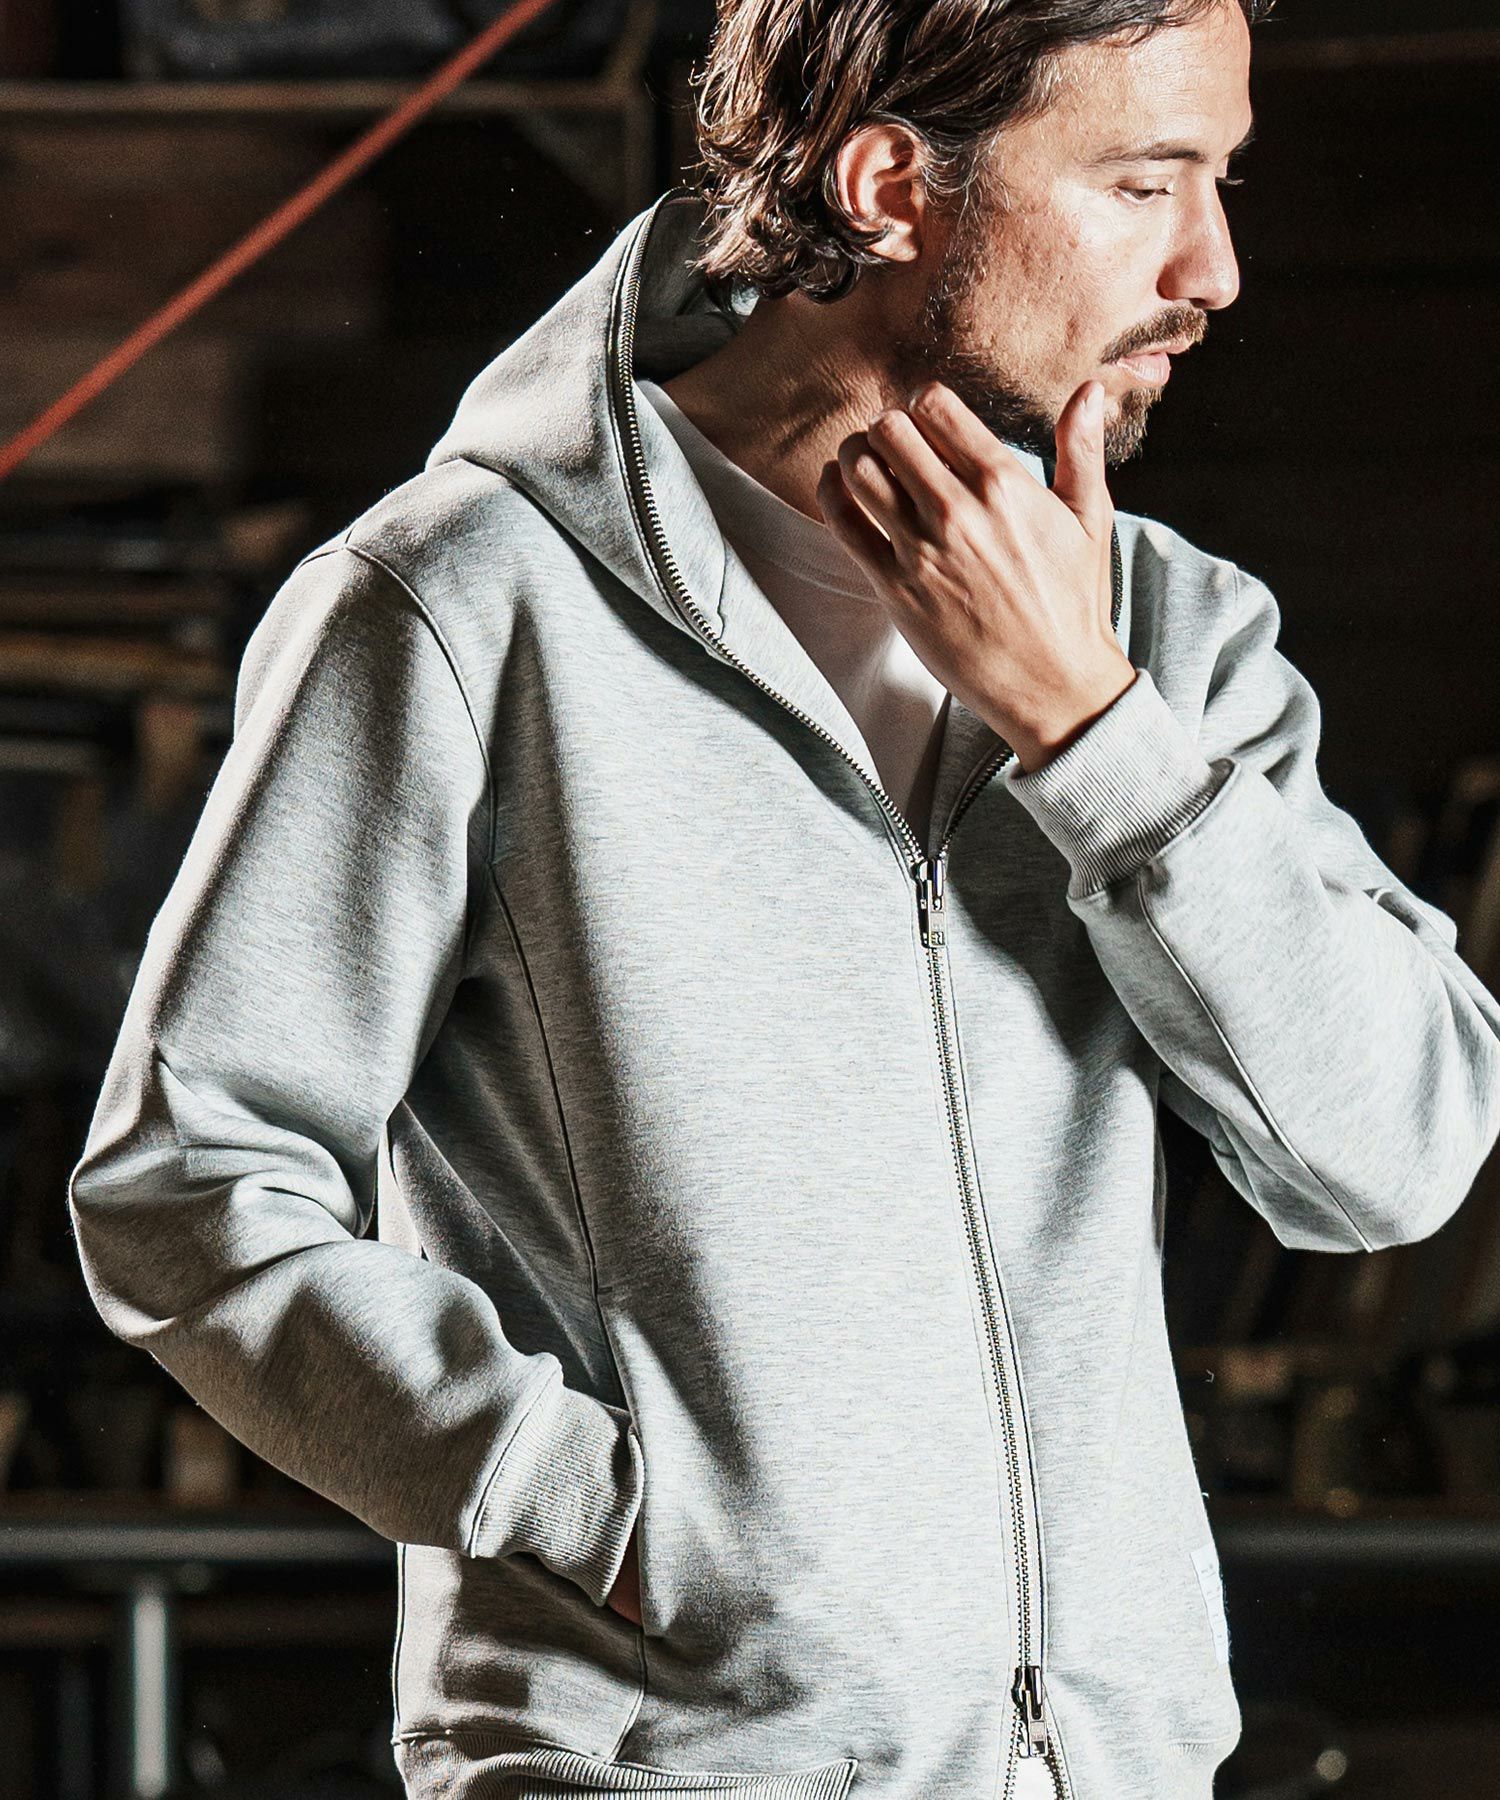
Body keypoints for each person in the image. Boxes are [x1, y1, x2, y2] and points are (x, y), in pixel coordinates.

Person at [67, 1, 1500, 1796]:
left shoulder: (1172, 640)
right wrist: (592, 1509)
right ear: (892, 186)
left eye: (1222, 181)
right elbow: (187, 1185)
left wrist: (1093, 734)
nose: (1210, 268)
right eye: (1144, 184)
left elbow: (1392, 1158)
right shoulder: (464, 611)